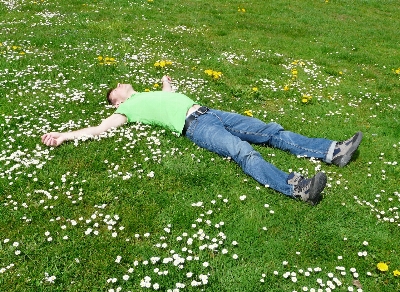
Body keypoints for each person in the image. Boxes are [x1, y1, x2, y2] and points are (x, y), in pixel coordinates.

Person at [41, 75, 363, 205]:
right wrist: (65, 135)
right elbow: (98, 130)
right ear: (116, 101)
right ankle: (297, 187)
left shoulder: (147, 94)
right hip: (194, 126)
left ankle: (332, 151)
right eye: (118, 90)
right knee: (242, 151)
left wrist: (166, 82)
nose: (123, 85)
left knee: (269, 130)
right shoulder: (125, 110)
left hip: (211, 112)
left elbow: (168, 95)